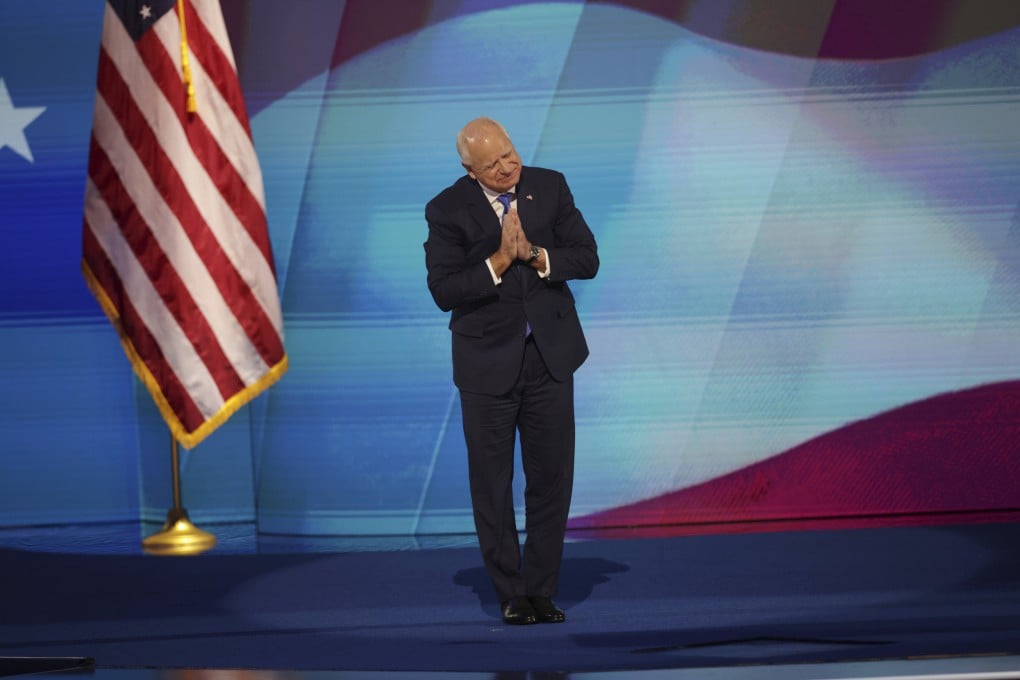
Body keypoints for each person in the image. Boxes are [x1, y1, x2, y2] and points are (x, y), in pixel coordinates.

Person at [424, 117, 599, 625]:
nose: (507, 167)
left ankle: (541, 590)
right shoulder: (446, 209)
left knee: (550, 479)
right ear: (469, 169)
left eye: (510, 154)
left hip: (549, 358)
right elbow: (444, 291)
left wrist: (539, 255)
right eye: (493, 163)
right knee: (492, 484)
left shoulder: (550, 186)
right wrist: (500, 259)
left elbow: (586, 256)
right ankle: (510, 591)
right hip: (485, 366)